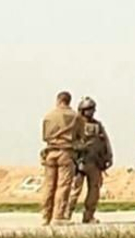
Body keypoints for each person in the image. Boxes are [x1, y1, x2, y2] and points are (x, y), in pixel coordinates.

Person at [66, 96, 113, 224]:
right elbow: (70, 142)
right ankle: (66, 214)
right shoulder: (75, 124)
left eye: (92, 109)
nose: (91, 112)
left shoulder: (98, 125)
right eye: (88, 109)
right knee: (75, 190)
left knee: (94, 190)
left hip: (95, 163)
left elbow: (105, 141)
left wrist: (108, 156)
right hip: (80, 162)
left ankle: (89, 215)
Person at [38, 90, 82, 226]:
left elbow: (45, 136)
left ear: (58, 100)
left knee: (49, 185)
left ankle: (46, 216)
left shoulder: (48, 116)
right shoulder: (75, 116)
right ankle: (59, 215)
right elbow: (80, 136)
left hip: (50, 152)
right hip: (66, 152)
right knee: (63, 185)